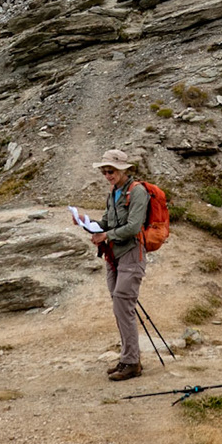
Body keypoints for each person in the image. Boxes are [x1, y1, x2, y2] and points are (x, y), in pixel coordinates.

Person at [90, 148, 149, 382]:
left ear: (123, 170)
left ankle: (132, 362)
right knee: (119, 306)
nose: (107, 175)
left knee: (123, 306)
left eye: (111, 171)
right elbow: (106, 221)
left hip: (132, 254)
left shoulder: (138, 193)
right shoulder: (114, 192)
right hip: (114, 256)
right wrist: (89, 224)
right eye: (104, 171)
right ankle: (127, 358)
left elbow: (134, 227)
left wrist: (106, 236)